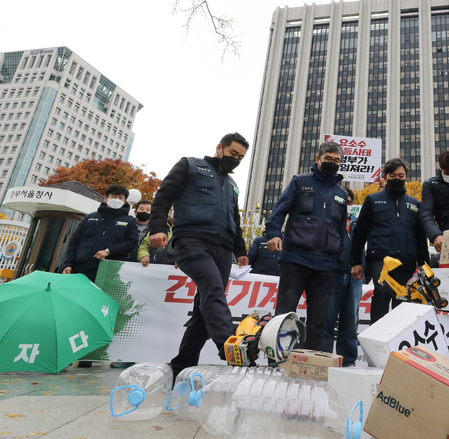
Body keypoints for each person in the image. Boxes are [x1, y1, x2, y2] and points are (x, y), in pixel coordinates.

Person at [148, 133, 250, 379]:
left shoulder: (233, 185)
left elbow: (234, 220)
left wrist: (241, 251)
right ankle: (232, 351)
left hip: (223, 249)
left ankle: (180, 368)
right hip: (192, 241)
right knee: (213, 290)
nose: (235, 159)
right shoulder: (190, 165)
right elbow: (164, 196)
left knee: (204, 311)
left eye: (241, 157)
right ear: (219, 148)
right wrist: (158, 228)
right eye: (233, 153)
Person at [266, 142, 348, 350]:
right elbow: (278, 212)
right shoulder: (300, 182)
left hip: (326, 265)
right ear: (318, 159)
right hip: (295, 258)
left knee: (319, 320)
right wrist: (274, 235)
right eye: (328, 158)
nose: (332, 163)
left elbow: (341, 230)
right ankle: (277, 365)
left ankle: (307, 366)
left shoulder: (342, 194)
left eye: (336, 160)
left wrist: (342, 255)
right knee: (284, 315)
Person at [351, 158, 430, 324]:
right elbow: (360, 233)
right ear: (385, 177)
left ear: (406, 177)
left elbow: (420, 237)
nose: (397, 179)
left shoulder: (415, 204)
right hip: (380, 258)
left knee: (402, 300)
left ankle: (396, 343)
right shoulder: (372, 200)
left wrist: (424, 265)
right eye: (392, 175)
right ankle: (375, 336)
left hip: (406, 261)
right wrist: (356, 261)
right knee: (382, 291)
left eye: (401, 175)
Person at [62, 184, 138, 282]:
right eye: (113, 197)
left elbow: (132, 242)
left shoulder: (130, 221)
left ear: (124, 201)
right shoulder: (89, 218)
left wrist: (108, 251)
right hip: (83, 268)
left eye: (121, 198)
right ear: (106, 198)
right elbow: (74, 242)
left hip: (110, 270)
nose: (117, 200)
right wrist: (68, 264)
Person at [321, 189, 363, 365]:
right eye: (344, 202)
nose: (348, 205)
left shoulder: (359, 220)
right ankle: (323, 359)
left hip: (355, 274)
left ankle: (348, 361)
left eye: (351, 202)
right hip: (332, 271)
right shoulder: (328, 217)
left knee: (350, 319)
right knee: (326, 318)